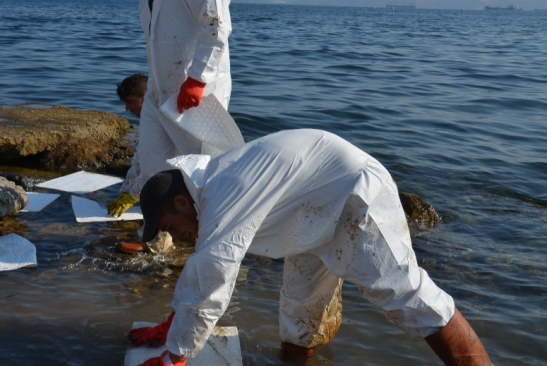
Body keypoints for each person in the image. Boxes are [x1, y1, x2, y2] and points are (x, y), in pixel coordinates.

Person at [130, 129, 493, 366]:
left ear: (181, 203)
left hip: (353, 197)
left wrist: (173, 357)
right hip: (308, 215)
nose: (175, 238)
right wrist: (173, 324)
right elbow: (201, 274)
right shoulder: (208, 192)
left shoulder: (223, 191)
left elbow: (212, 281)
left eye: (169, 228)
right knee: (298, 311)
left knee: (409, 298)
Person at [108, 0, 234, 218]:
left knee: (205, 171)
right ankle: (159, 235)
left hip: (197, 95)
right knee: (154, 166)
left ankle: (209, 236)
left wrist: (197, 80)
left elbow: (216, 29)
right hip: (158, 94)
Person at [109, 74, 149, 218]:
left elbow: (155, 165)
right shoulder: (146, 121)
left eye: (130, 102)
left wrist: (132, 196)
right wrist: (126, 190)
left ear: (145, 96)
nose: (127, 108)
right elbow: (139, 158)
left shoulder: (161, 121)